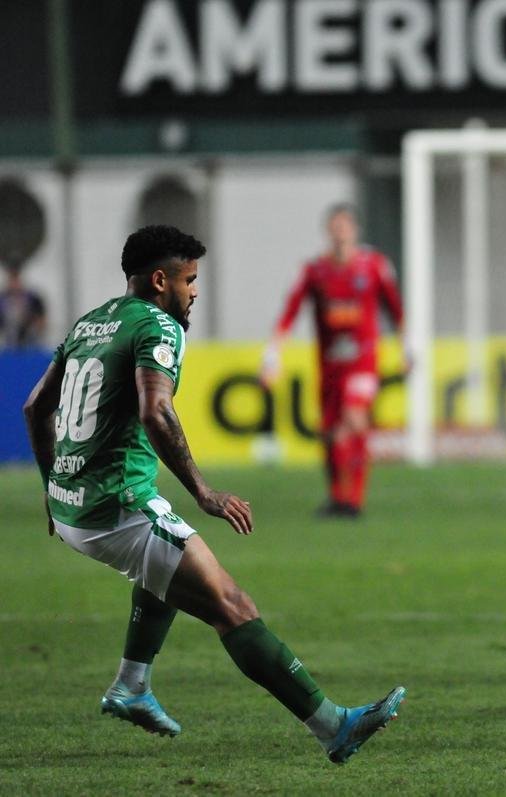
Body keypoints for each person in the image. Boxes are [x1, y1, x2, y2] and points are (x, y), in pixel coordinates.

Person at [22, 225, 404, 762]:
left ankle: (131, 685)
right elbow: (157, 410)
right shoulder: (159, 325)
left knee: (165, 565)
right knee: (232, 604)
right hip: (116, 507)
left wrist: (49, 489)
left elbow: (35, 407)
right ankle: (333, 727)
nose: (195, 291)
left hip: (73, 505)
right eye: (190, 280)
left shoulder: (91, 321)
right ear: (161, 280)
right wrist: (203, 491)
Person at [261, 204, 407, 518]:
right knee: (330, 432)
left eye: (346, 226)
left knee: (355, 418)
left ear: (355, 230)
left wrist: (406, 348)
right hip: (329, 365)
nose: (341, 232)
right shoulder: (314, 271)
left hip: (363, 361)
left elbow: (396, 310)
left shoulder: (374, 266)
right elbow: (289, 313)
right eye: (335, 226)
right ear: (328, 230)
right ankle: (338, 498)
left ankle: (354, 500)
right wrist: (272, 356)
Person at [1, 260, 47, 348]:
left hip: (29, 344)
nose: (14, 284)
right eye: (12, 279)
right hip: (7, 345)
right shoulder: (2, 300)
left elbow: (41, 321)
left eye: (16, 279)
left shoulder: (33, 299)